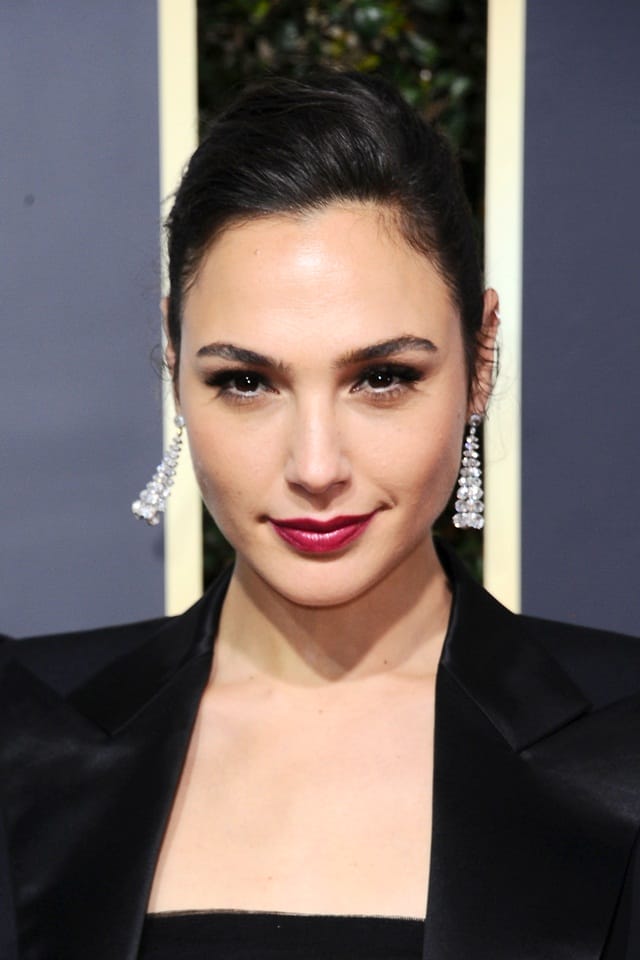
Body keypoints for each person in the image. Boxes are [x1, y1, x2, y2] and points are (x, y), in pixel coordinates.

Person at [1, 69, 639, 960]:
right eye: (246, 382)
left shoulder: (625, 740)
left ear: (481, 357)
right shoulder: (21, 729)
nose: (314, 468)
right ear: (174, 363)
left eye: (382, 378)